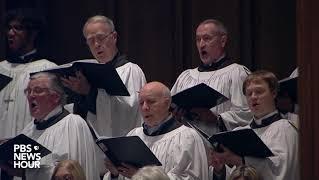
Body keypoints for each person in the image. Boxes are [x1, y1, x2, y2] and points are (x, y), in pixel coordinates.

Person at [61, 15, 146, 175]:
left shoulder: (130, 70)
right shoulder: (88, 73)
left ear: (114, 37)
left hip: (122, 163)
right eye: (90, 40)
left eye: (100, 38)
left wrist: (89, 92)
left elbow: (127, 113)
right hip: (91, 160)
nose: (97, 45)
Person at [1, 72, 99, 180]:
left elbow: (72, 172)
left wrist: (26, 172)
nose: (31, 95)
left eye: (38, 91)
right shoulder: (28, 130)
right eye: (28, 91)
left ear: (55, 97)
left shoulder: (72, 124)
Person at [103, 82, 209, 180]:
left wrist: (140, 176)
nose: (145, 107)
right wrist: (115, 173)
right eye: (141, 103)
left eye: (151, 102)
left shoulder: (188, 137)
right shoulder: (134, 135)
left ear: (167, 104)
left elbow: (194, 177)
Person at [210, 70, 299, 180]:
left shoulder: (286, 128)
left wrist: (240, 160)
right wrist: (220, 169)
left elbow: (283, 171)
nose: (253, 97)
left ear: (274, 93)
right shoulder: (239, 132)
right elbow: (231, 174)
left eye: (259, 91)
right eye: (249, 93)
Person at [171, 19, 251, 132]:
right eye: (198, 40)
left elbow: (247, 113)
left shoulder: (236, 73)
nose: (201, 44)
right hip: (188, 144)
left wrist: (216, 118)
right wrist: (176, 115)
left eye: (207, 38)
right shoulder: (186, 77)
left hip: (220, 145)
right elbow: (169, 111)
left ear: (223, 41)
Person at [0, 8, 56, 139]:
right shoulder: (1, 68)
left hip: (31, 146)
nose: (10, 33)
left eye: (17, 28)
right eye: (9, 28)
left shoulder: (48, 69)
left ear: (33, 33)